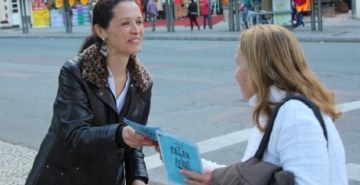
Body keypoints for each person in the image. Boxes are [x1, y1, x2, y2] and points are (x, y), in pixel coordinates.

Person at [180, 25, 348, 185]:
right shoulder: (276, 110)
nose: (235, 73)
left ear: (257, 69)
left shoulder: (295, 115)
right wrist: (184, 160)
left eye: (239, 64)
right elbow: (253, 178)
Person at [25, 0, 156, 184]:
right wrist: (121, 134)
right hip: (62, 178)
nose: (136, 30)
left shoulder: (143, 82)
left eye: (139, 22)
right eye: (126, 23)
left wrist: (138, 179)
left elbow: (133, 145)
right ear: (101, 31)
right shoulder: (75, 72)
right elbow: (76, 136)